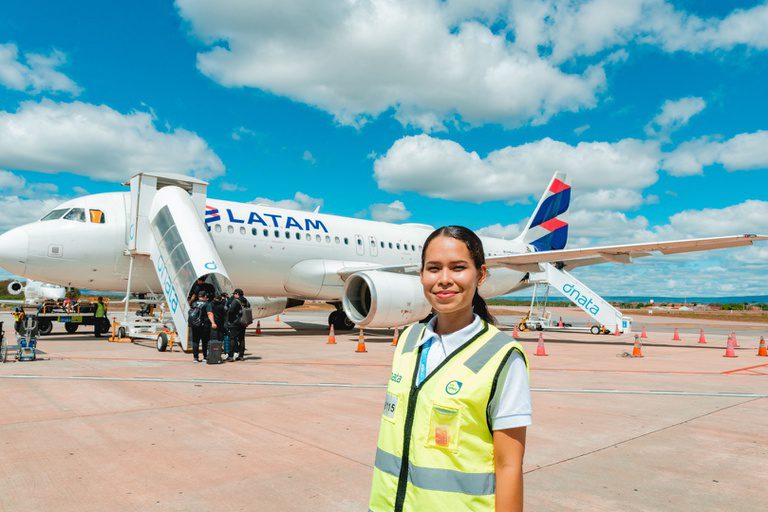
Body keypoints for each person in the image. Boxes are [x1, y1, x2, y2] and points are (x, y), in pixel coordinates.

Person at [369, 226, 531, 512]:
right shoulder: (407, 340)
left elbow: (509, 465)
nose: (444, 279)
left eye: (458, 268)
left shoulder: (503, 357)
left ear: (481, 275)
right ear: (421, 274)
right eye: (433, 268)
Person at [225, 289, 248, 361]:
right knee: (241, 339)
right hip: (243, 322)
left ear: (237, 294)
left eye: (234, 294)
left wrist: (228, 317)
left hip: (235, 323)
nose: (234, 295)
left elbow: (231, 311)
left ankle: (230, 356)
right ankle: (241, 356)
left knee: (232, 339)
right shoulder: (246, 301)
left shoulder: (235, 301)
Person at [189, 290, 211, 362]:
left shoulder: (194, 303)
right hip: (204, 325)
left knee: (195, 341)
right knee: (205, 342)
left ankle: (195, 358)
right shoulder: (207, 304)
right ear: (205, 296)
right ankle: (205, 357)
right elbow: (209, 313)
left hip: (195, 325)